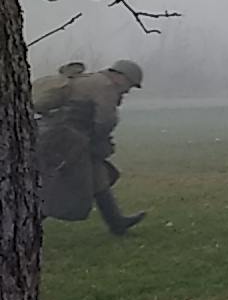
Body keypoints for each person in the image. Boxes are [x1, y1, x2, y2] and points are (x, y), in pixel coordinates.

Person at [34, 59, 146, 234]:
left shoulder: (89, 79)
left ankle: (116, 222)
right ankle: (26, 225)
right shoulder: (106, 86)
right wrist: (101, 141)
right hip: (69, 140)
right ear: (120, 77)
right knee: (60, 185)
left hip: (58, 135)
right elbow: (105, 120)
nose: (127, 90)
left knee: (97, 175)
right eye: (129, 85)